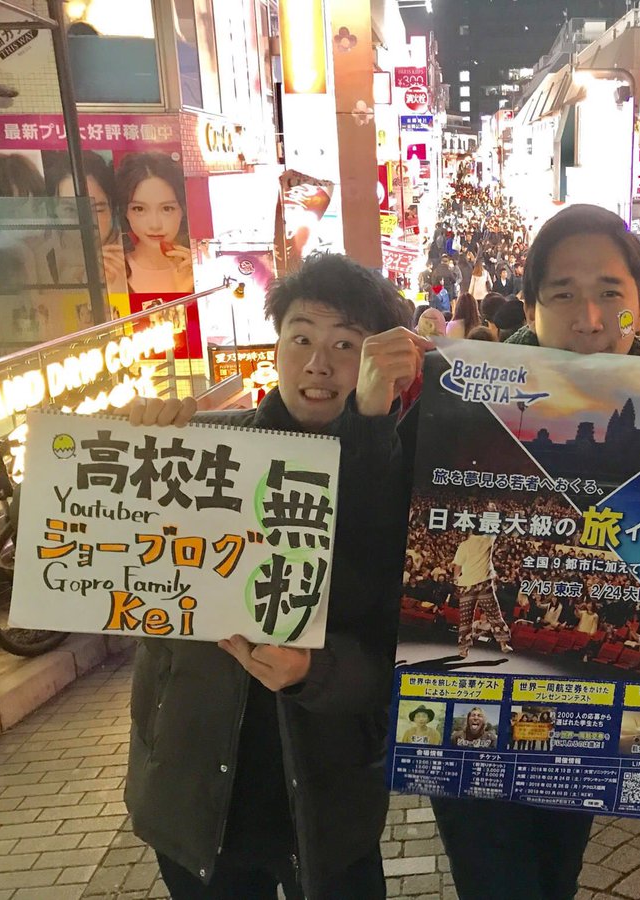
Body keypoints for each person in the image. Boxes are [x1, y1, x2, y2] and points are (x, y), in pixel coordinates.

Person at [375, 203, 640, 900]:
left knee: (558, 876)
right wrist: (371, 413)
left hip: (588, 724)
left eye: (612, 293)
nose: (591, 317)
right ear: (530, 305)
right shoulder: (462, 395)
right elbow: (375, 511)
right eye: (563, 294)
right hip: (470, 725)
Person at [122, 253, 418, 900]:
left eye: (346, 345)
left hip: (330, 810)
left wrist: (314, 671)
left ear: (379, 360)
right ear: (276, 346)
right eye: (301, 338)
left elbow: (391, 650)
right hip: (194, 807)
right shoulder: (201, 452)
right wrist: (133, 444)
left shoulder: (397, 482)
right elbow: (76, 553)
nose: (319, 364)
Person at [44, 149, 127, 296]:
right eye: (70, 210)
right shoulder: (41, 257)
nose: (85, 223)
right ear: (54, 212)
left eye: (97, 210)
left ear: (112, 209)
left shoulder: (132, 255)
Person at [116, 152, 194, 294]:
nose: (155, 225)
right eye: (139, 209)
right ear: (125, 212)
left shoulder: (203, 267)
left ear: (183, 209)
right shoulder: (115, 272)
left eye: (167, 208)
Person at [452, 531, 512, 657]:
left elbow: (457, 566)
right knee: (495, 614)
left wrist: (456, 579)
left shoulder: (464, 545)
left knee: (466, 618)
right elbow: (497, 530)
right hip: (485, 584)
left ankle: (463, 649)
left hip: (468, 585)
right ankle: (503, 644)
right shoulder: (488, 540)